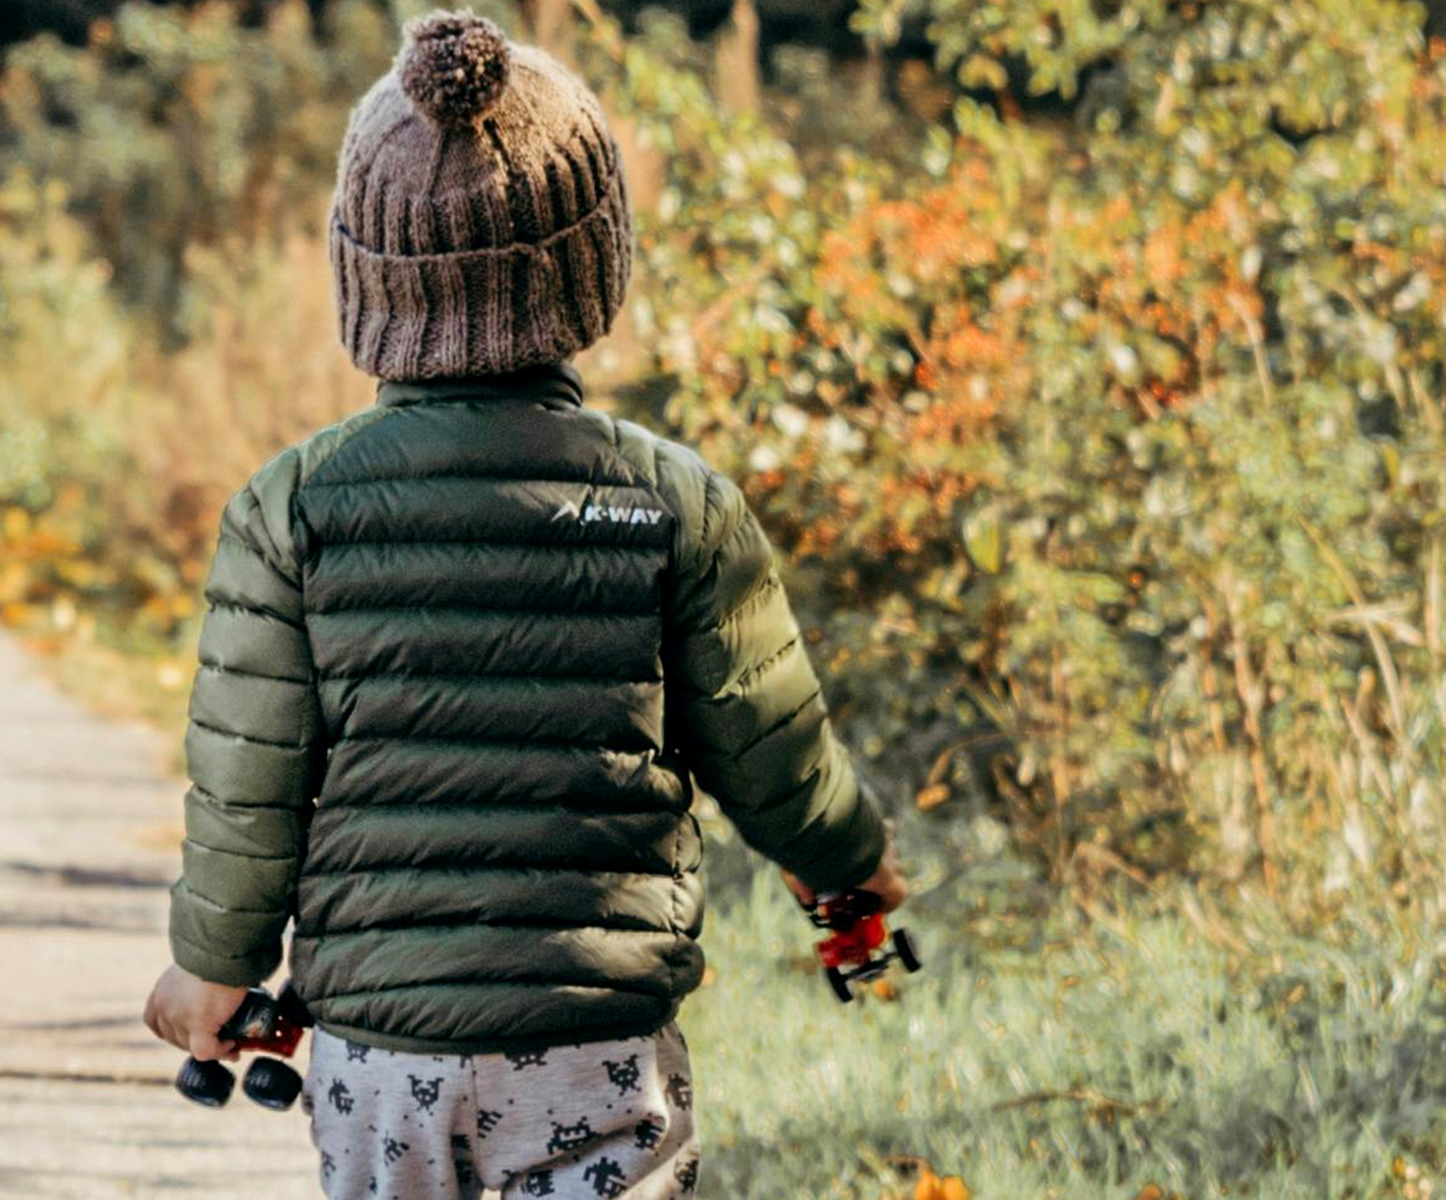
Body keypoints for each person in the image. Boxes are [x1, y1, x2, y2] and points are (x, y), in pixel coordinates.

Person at [142, 12, 905, 1198]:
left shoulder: (290, 509)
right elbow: (773, 749)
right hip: (595, 1048)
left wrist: (213, 966)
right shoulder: (670, 502)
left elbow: (249, 782)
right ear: (591, 263)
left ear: (366, 276)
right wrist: (847, 864)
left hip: (381, 1058)